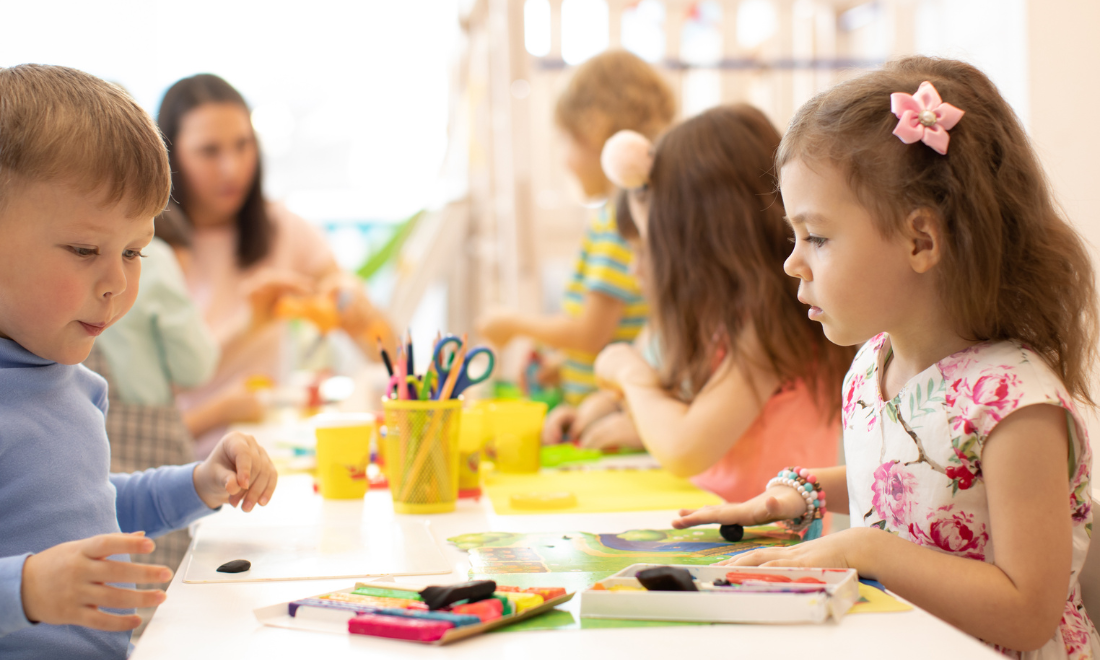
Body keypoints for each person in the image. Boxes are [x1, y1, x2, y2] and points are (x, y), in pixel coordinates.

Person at [674, 57, 1100, 658]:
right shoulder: (873, 366)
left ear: (919, 241)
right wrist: (805, 493)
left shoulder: (1013, 402)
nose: (793, 263)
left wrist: (864, 549)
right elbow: (917, 480)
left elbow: (1029, 612)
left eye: (816, 237)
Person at [0, 63, 278, 659]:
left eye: (133, 251)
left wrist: (200, 482)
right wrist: (23, 589)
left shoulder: (72, 384)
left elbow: (92, 512)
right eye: (83, 250)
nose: (116, 283)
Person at [583, 106, 854, 503]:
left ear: (699, 244)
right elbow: (674, 400)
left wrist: (628, 374)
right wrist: (613, 408)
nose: (636, 267)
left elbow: (684, 448)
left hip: (767, 551)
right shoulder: (717, 319)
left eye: (649, 246)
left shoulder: (768, 330)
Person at [158, 74, 395, 457]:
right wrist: (220, 409)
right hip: (176, 466)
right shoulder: (145, 250)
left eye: (243, 145)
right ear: (170, 153)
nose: (231, 168)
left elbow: (386, 349)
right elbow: (130, 429)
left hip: (269, 460)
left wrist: (352, 297)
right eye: (209, 151)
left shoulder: (283, 228)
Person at [477, 50, 675, 406]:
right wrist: (564, 365)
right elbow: (610, 334)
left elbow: (590, 333)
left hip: (610, 412)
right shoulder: (624, 214)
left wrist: (514, 324)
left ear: (594, 129)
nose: (563, 159)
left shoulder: (621, 222)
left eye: (566, 140)